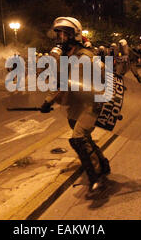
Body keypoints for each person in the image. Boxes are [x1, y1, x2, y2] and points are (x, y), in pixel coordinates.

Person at [40, 17, 110, 195]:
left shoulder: (83, 56)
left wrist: (49, 101)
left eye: (64, 33)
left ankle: (97, 179)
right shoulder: (68, 55)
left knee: (79, 138)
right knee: (84, 139)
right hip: (76, 104)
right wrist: (49, 101)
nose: (60, 37)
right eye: (58, 33)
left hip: (91, 103)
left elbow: (64, 83)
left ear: (74, 35)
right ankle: (103, 164)